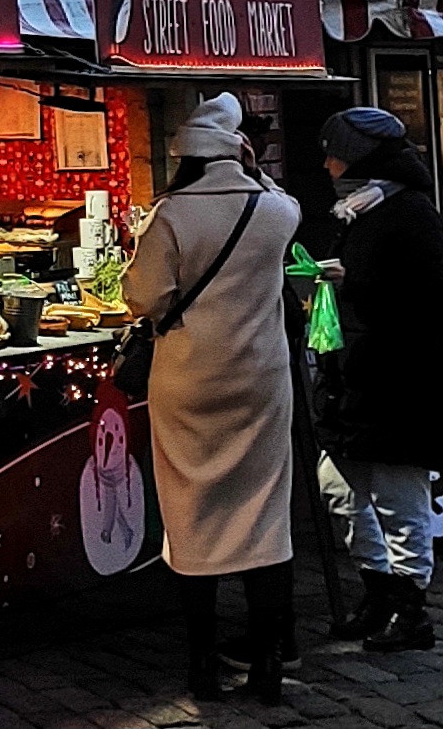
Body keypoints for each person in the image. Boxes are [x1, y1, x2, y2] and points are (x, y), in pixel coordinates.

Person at [124, 92, 302, 702]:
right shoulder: (276, 211)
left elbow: (143, 298)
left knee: (191, 518)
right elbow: (286, 204)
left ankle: (202, 664)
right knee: (264, 517)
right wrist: (249, 166)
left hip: (188, 383)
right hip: (259, 381)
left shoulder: (170, 213)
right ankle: (269, 665)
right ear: (237, 150)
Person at [310, 105, 443, 652]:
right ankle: (378, 591)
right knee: (340, 490)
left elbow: (422, 302)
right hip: (352, 378)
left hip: (398, 382)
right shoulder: (357, 210)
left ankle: (411, 606)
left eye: (336, 154)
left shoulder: (411, 213)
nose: (327, 165)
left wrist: (353, 282)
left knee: (400, 501)